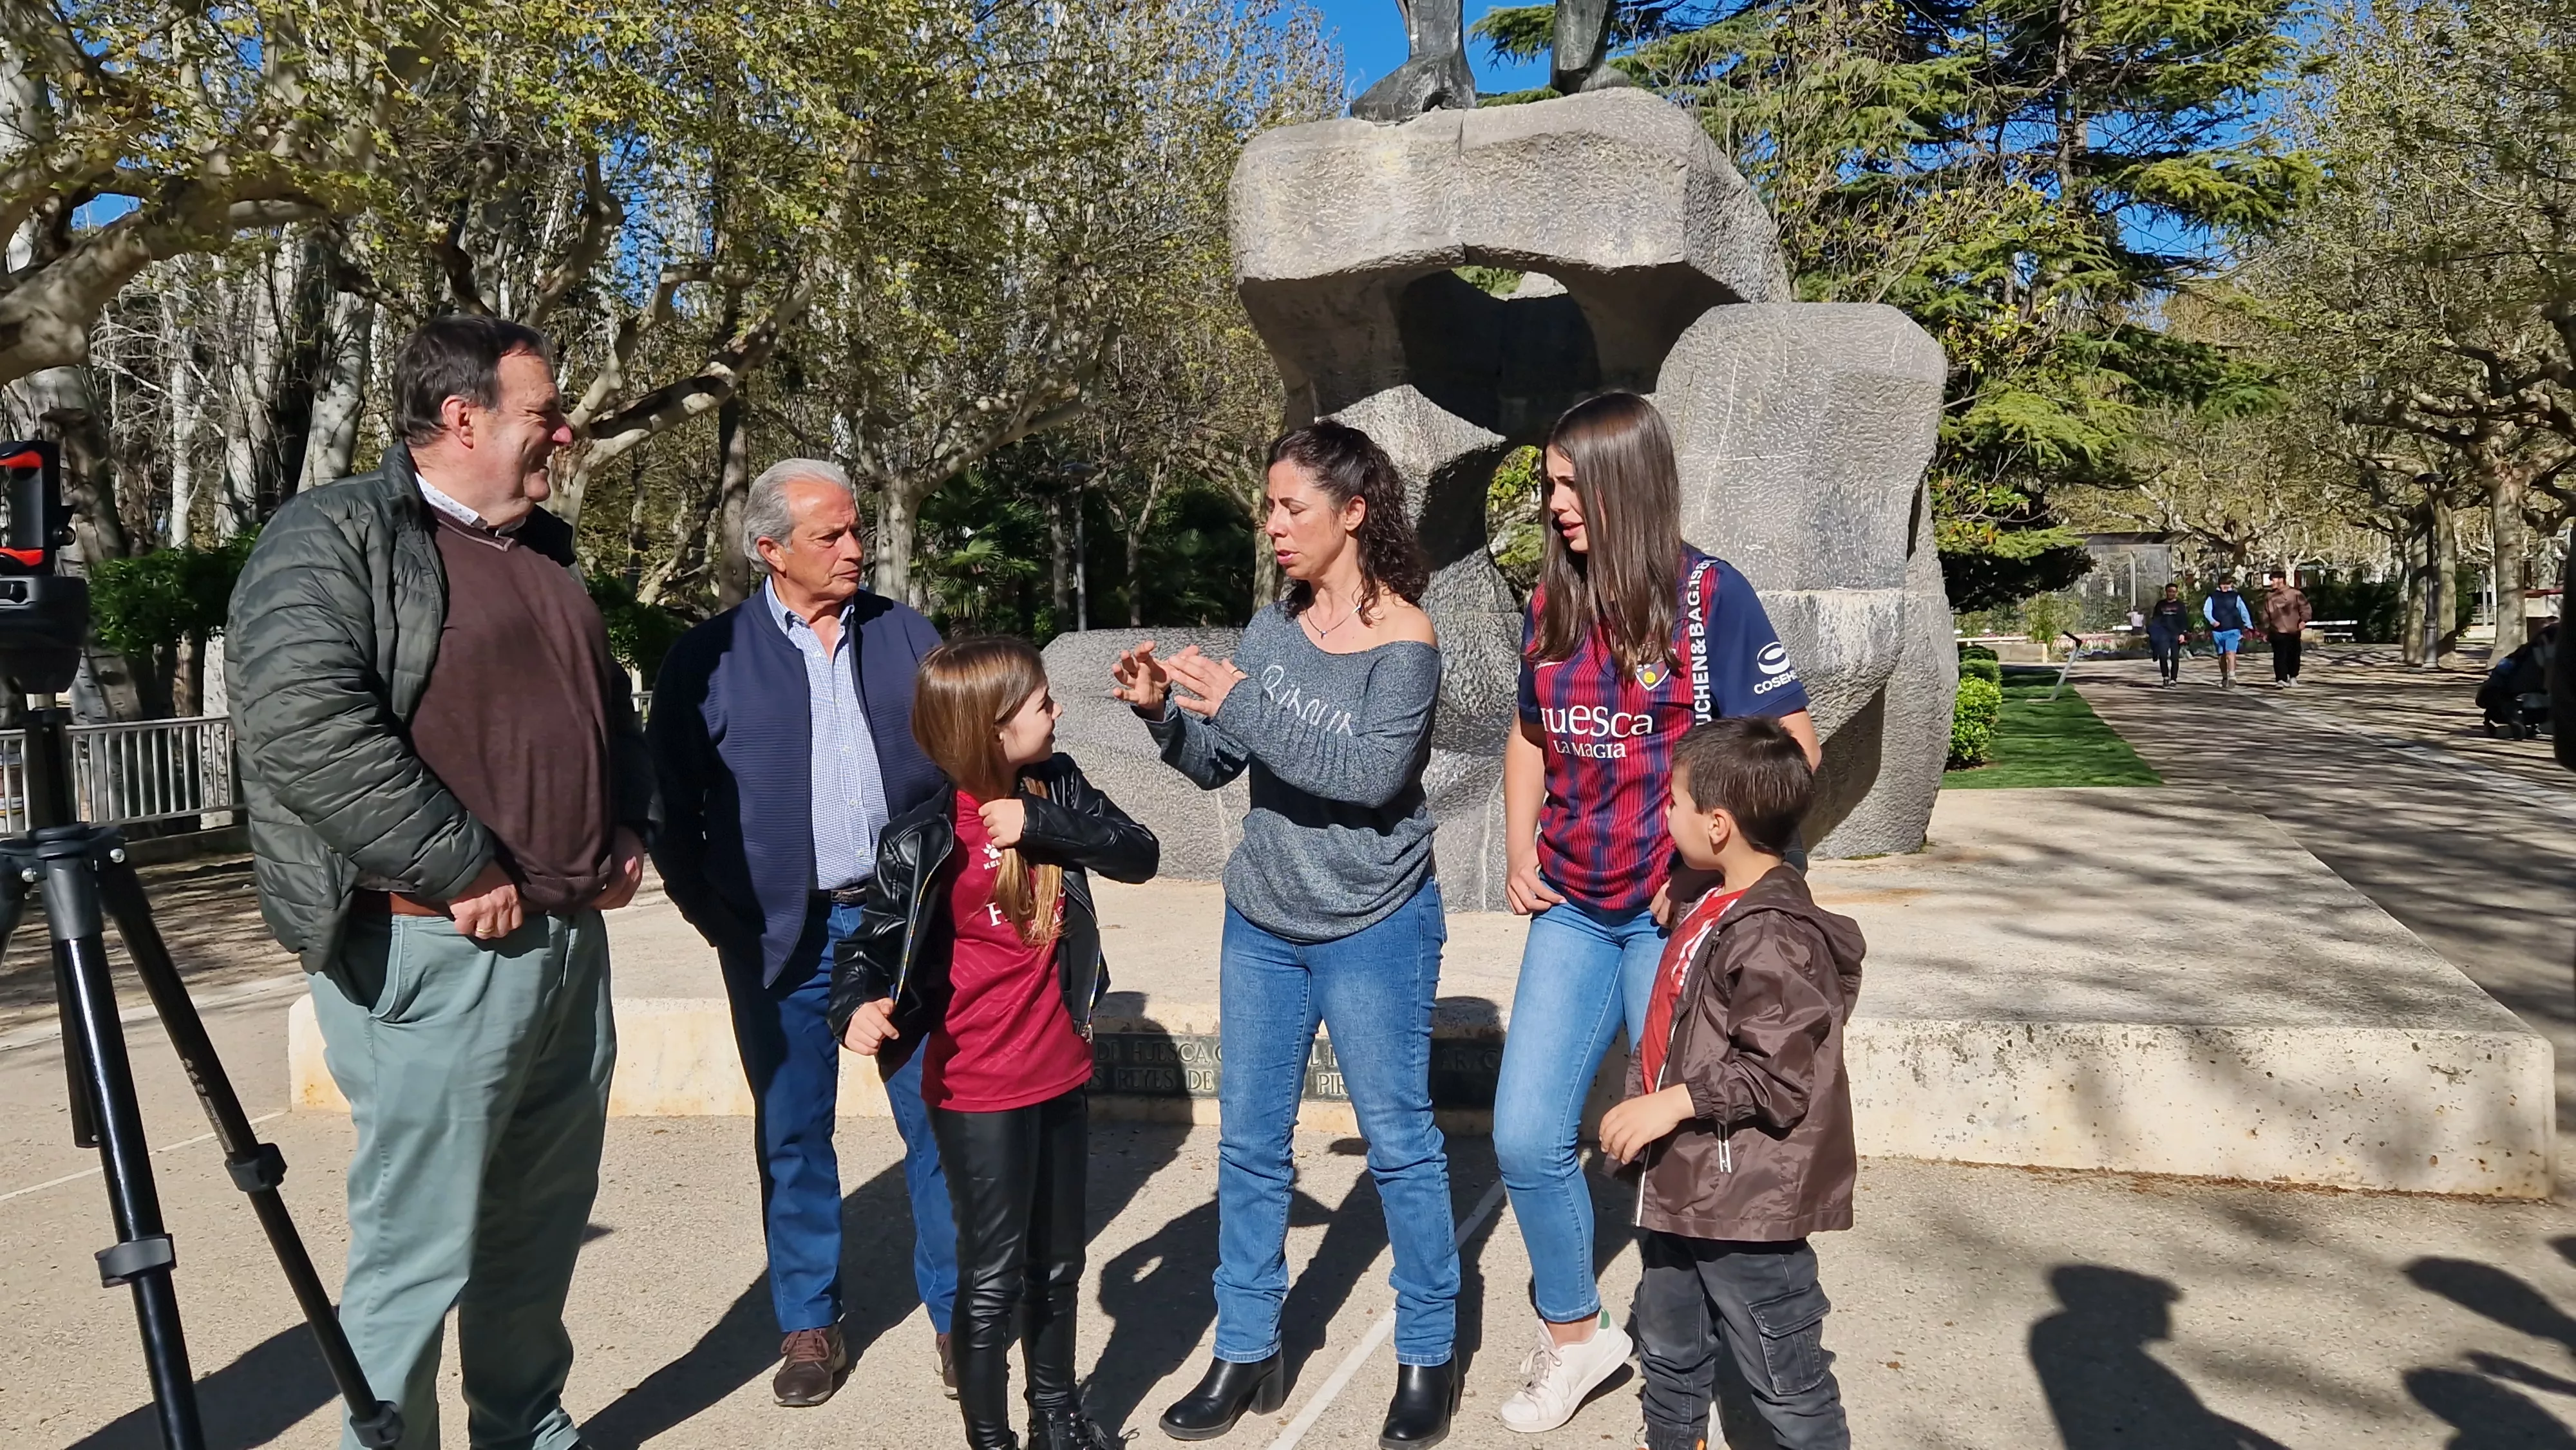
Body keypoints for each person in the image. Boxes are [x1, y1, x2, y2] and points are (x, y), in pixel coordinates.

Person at [227, 315, 656, 1450]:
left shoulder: (543, 551)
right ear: (462, 418)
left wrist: (626, 817)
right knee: (418, 1251)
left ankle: (525, 1430)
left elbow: (605, 710)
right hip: (435, 948)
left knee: (537, 1231)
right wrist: (454, 857)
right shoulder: (335, 536)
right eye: (541, 412)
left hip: (567, 947)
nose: (561, 431)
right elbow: (302, 723)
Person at [1113, 422, 1463, 1447]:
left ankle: (1428, 1352)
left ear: (1353, 513)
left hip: (1376, 926)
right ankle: (1247, 1344)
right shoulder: (1272, 627)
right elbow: (1224, 762)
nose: (1272, 526)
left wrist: (1246, 703)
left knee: (1399, 1146)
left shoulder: (1409, 641)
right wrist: (1163, 717)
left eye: (1290, 507)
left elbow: (1368, 780)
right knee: (1251, 1148)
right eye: (1268, 506)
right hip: (1263, 920)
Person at [1490, 391, 1821, 1435]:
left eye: (1567, 484)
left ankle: (1722, 1339)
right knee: (1523, 1135)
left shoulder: (1711, 596)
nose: (1553, 506)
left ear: (1625, 482)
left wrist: (1713, 864)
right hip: (1574, 913)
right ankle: (1576, 1339)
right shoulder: (1555, 601)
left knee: (1681, 1146)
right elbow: (1531, 734)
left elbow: (1795, 749)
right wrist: (1514, 848)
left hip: (1675, 924)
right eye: (1548, 486)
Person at [649, 459, 957, 1406]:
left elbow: (962, 767)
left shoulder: (907, 635)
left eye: (858, 531)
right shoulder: (709, 657)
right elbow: (670, 807)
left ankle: (960, 1319)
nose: (856, 549)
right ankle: (809, 1324)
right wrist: (721, 921)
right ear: (769, 549)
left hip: (901, 928)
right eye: (832, 536)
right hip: (779, 938)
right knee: (794, 1136)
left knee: (937, 1122)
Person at [833, 637, 1159, 1450]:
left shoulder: (1060, 785)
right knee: (988, 1282)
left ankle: (1057, 1418)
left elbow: (1140, 854)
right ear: (992, 725)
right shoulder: (921, 837)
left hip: (1061, 1069)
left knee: (1059, 1266)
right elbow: (869, 946)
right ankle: (992, 1438)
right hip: (975, 1085)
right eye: (1042, 702)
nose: (1058, 712)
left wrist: (1042, 821)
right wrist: (856, 1006)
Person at [1599, 715, 1864, 1450]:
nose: (1664, 814)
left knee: (1787, 1380)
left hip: (1745, 1204)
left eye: (1673, 803)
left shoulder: (1773, 933)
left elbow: (1777, 1073)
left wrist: (1669, 1103)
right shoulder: (1717, 900)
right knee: (1671, 1349)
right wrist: (1687, 883)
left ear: (1717, 824)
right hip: (1682, 1186)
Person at [2261, 569, 2312, 687]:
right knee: (2279, 655)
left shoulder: (2295, 594)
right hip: (2277, 630)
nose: (2271, 583)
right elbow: (2265, 614)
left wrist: (2304, 621)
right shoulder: (2269, 596)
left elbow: (2305, 607)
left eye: (2273, 580)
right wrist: (2265, 630)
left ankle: (2293, 677)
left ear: (2281, 580)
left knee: (2294, 654)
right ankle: (2280, 679)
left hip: (2293, 629)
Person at [2202, 576, 2255, 688]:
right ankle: (2224, 676)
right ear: (2219, 584)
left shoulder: (2236, 597)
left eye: (2228, 584)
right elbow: (2207, 611)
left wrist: (2249, 626)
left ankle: (2232, 676)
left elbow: (2243, 611)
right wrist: (2213, 622)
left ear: (2231, 584)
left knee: (2231, 652)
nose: (2225, 586)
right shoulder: (2212, 597)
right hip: (2218, 631)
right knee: (2221, 655)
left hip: (2233, 628)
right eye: (2223, 584)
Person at [2146, 583, 2191, 687]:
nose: (2171, 593)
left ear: (2177, 593)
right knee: (2163, 655)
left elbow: (2184, 620)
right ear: (2166, 592)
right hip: (2163, 634)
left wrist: (2183, 634)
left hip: (2176, 634)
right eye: (2170, 591)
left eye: (2174, 591)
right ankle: (2165, 676)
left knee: (2175, 657)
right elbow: (2155, 620)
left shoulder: (2180, 605)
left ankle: (2174, 679)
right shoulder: (2160, 605)